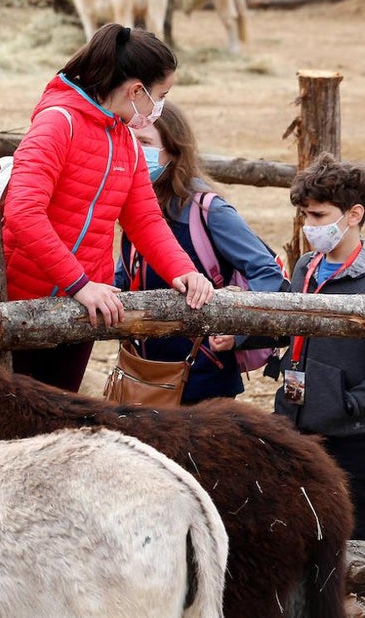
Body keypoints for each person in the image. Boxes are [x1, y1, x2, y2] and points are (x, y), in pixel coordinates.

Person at [2, 23, 214, 392]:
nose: (160, 107)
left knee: (60, 411)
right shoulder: (57, 123)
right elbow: (23, 212)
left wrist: (183, 270)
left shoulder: (126, 141)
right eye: (161, 95)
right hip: (24, 301)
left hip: (84, 306)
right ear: (136, 90)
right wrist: (79, 284)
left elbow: (145, 219)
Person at [115, 101, 288, 403]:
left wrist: (237, 329)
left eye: (144, 142)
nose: (135, 151)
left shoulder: (208, 210)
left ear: (173, 151)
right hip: (146, 375)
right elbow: (126, 277)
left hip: (204, 381)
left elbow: (266, 271)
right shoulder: (136, 207)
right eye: (129, 141)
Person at [274, 153, 365, 539]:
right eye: (304, 215)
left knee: (352, 532)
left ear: (354, 214)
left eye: (319, 216)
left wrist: (350, 404)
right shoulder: (305, 266)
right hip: (297, 423)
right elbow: (291, 326)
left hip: (351, 436)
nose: (310, 226)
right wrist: (239, 337)